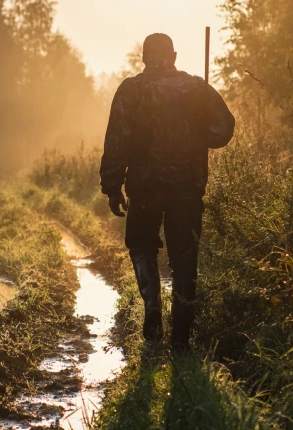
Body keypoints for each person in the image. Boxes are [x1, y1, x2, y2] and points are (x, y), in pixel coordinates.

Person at [99, 33, 235, 350]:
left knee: (142, 246)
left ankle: (152, 310)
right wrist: (197, 133)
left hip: (145, 188)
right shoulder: (197, 88)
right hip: (187, 188)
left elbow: (116, 140)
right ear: (173, 55)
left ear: (144, 56)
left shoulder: (131, 90)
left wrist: (112, 185)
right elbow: (224, 128)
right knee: (185, 257)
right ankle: (181, 338)